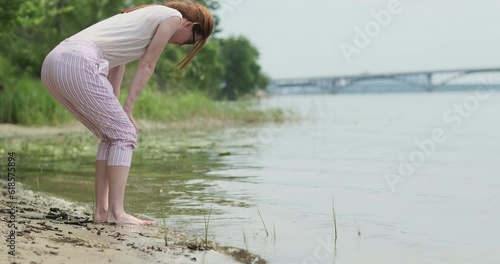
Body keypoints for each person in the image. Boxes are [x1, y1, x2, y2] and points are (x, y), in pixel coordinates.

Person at [41, 1, 214, 225]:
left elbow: (116, 64)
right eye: (190, 39)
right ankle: (117, 212)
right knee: (124, 134)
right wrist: (127, 111)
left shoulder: (142, 18)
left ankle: (102, 212)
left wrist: (117, 113)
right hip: (78, 61)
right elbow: (147, 65)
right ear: (189, 23)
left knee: (111, 134)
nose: (182, 45)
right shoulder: (172, 17)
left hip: (55, 63)